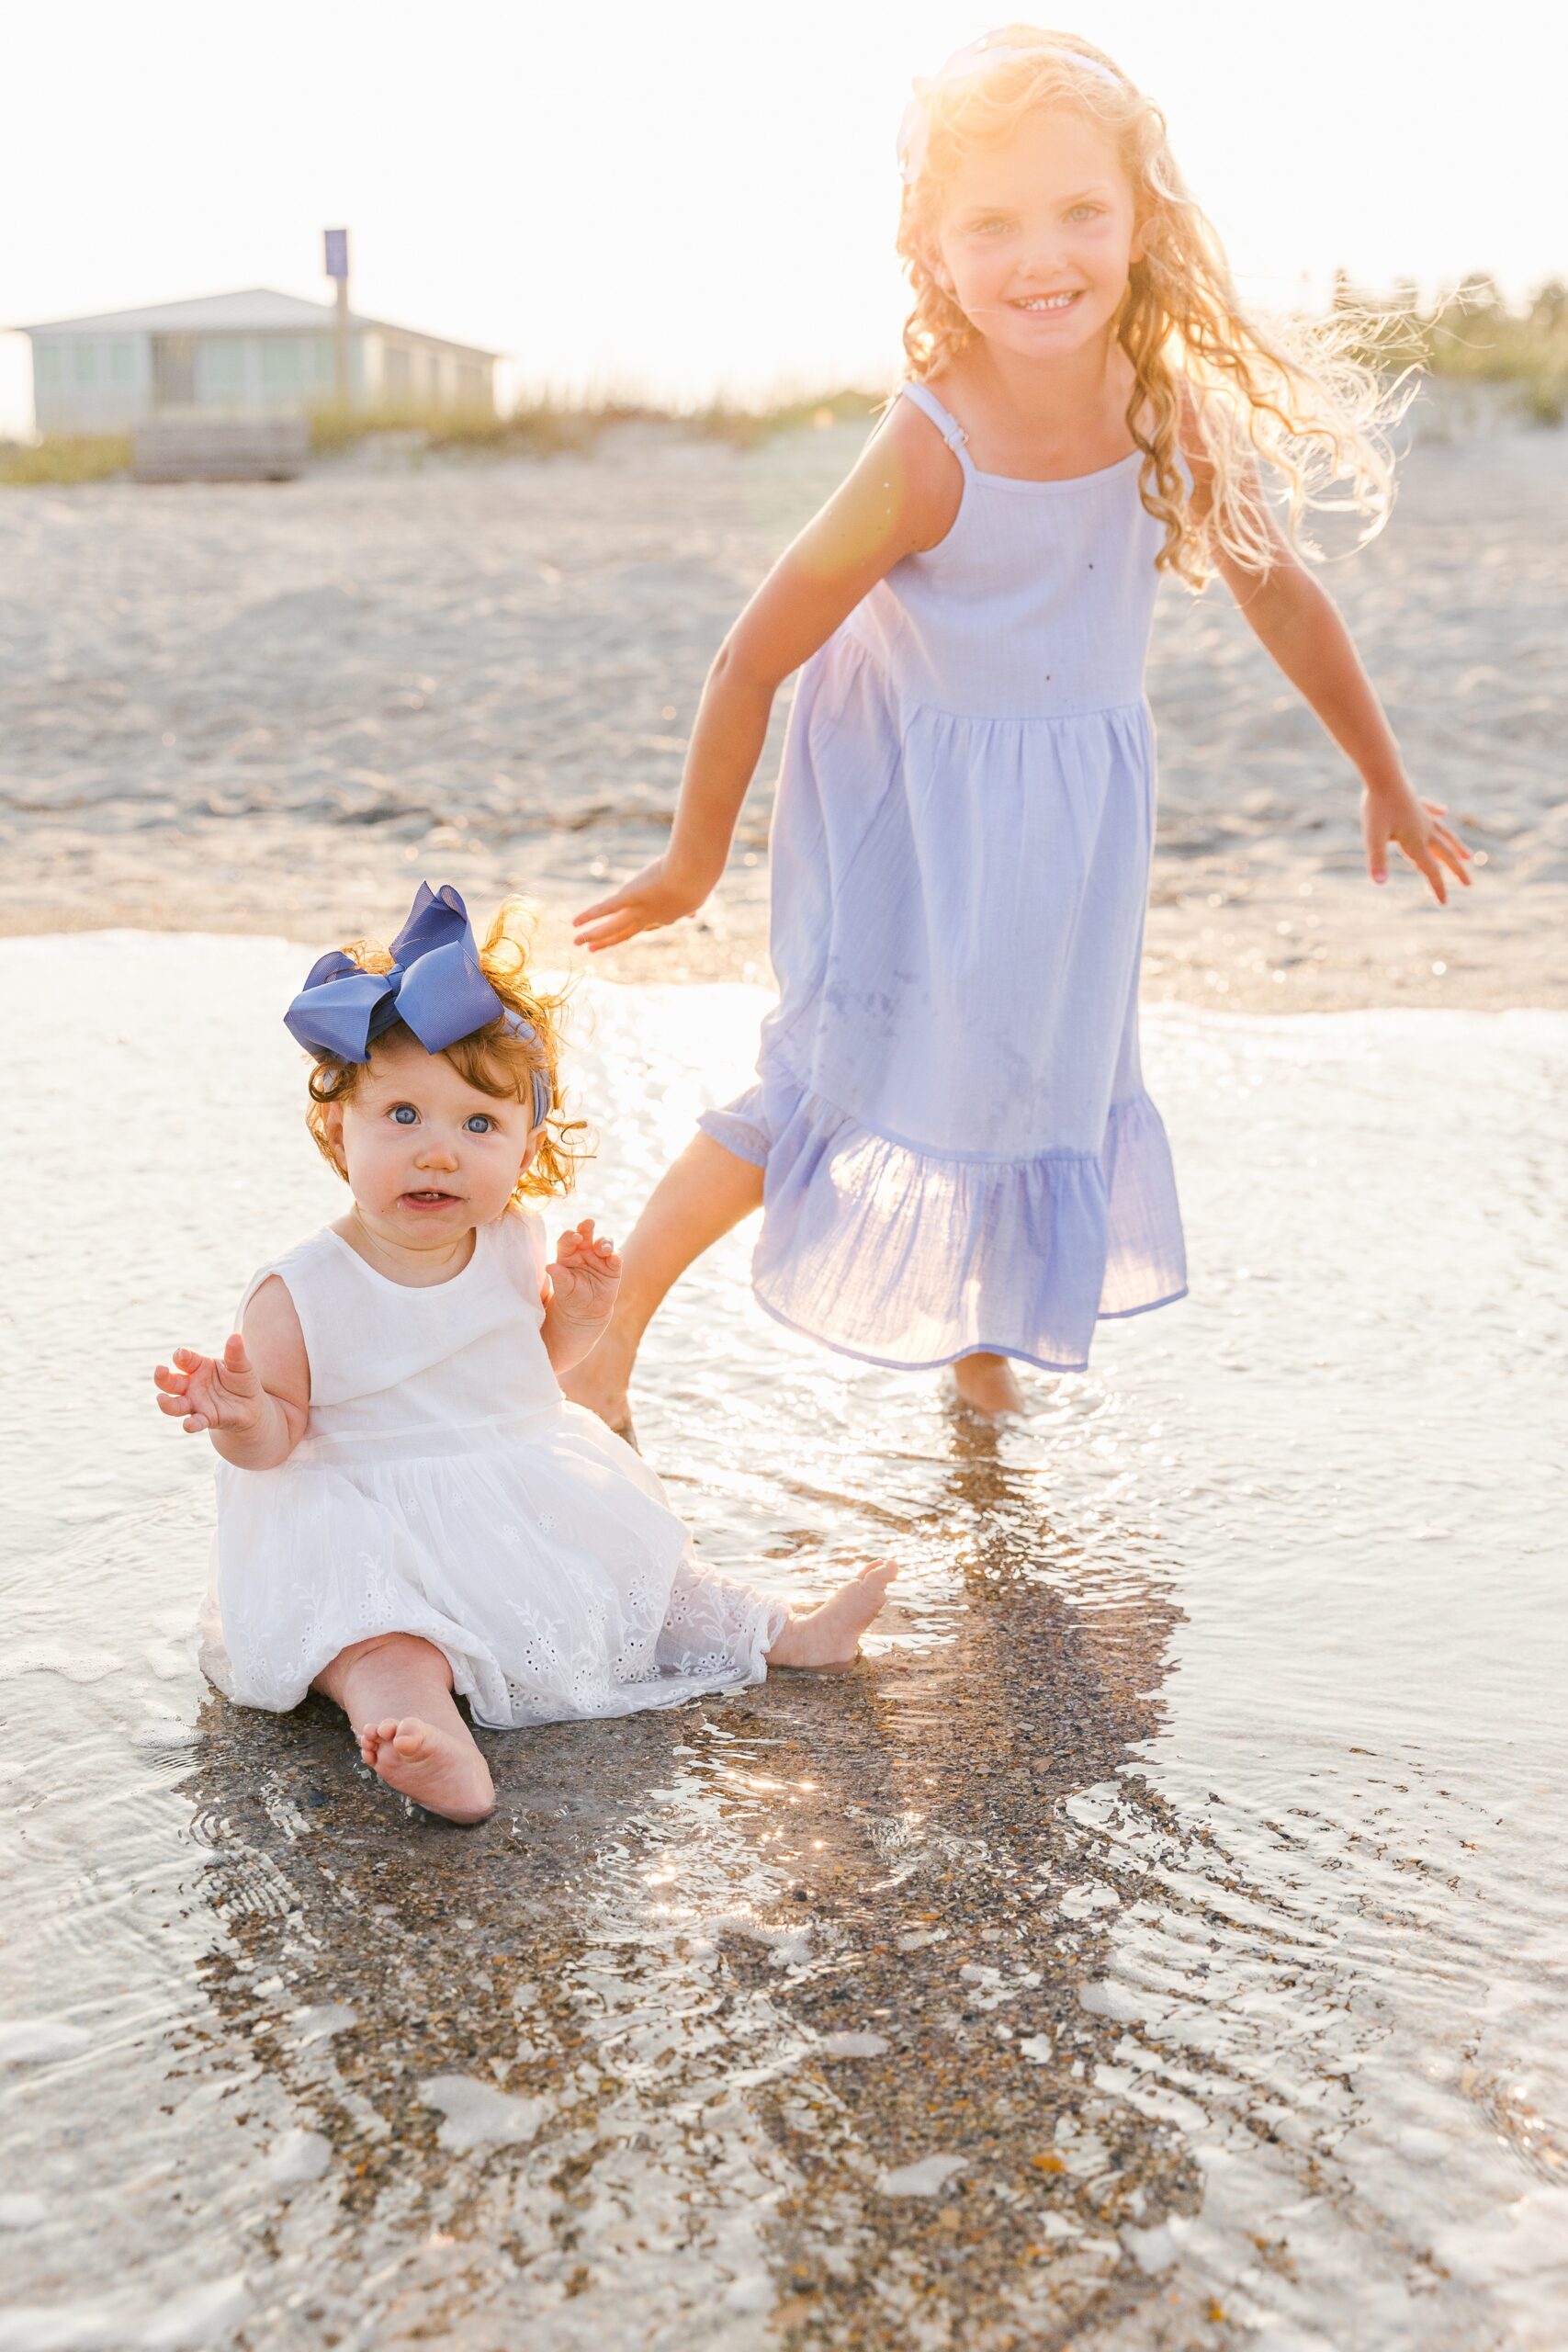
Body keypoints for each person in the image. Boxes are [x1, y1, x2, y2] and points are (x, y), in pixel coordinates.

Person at [567, 25, 1471, 1430]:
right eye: (988, 225)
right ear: (930, 250)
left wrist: (1385, 781)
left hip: (1069, 808)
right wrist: (691, 866)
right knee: (829, 1069)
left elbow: (1281, 597)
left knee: (1020, 1068)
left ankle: (977, 1353)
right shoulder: (928, 445)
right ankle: (603, 1334)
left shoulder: (1171, 414)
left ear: (1136, 222)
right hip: (904, 794)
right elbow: (753, 655)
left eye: (1077, 214)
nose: (1038, 257)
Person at [152, 885, 896, 1825]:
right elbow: (277, 1442)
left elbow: (527, 1376)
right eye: (403, 1117)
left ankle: (791, 1634)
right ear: (341, 1123)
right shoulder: (298, 1288)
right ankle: (431, 1745)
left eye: (478, 1125)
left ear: (526, 1144)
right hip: (361, 1522)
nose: (438, 1153)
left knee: (650, 1583)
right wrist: (241, 1414)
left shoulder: (512, 1241)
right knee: (382, 1645)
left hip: (508, 1492)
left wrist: (578, 1314)